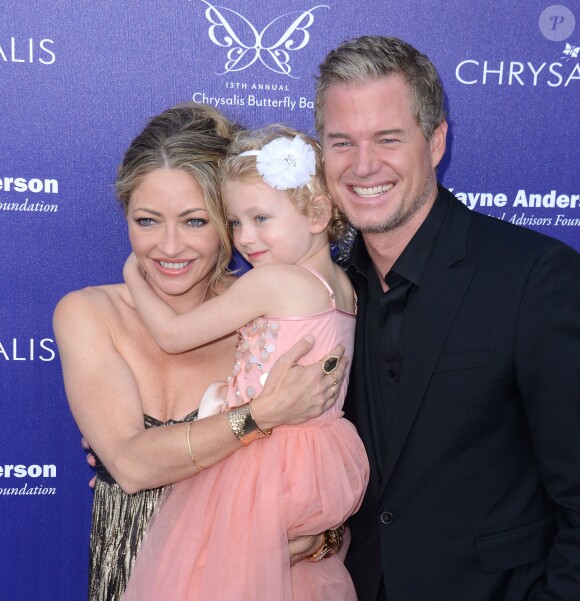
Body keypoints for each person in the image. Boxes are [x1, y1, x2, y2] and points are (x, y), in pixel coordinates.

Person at [314, 35, 580, 601]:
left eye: (388, 138)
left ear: (435, 142)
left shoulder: (534, 278)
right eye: (342, 142)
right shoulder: (323, 292)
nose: (363, 166)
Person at [53, 103, 348, 601]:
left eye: (194, 222)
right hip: (125, 573)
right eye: (147, 221)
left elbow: (326, 466)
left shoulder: (269, 316)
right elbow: (132, 464)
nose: (170, 246)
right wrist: (258, 416)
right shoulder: (88, 312)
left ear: (227, 221)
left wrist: (325, 537)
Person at [122, 126, 369, 601]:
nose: (245, 239)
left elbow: (173, 336)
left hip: (260, 461)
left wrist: (133, 273)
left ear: (318, 213)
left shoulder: (273, 281)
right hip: (317, 463)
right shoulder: (345, 288)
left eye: (261, 218)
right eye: (235, 222)